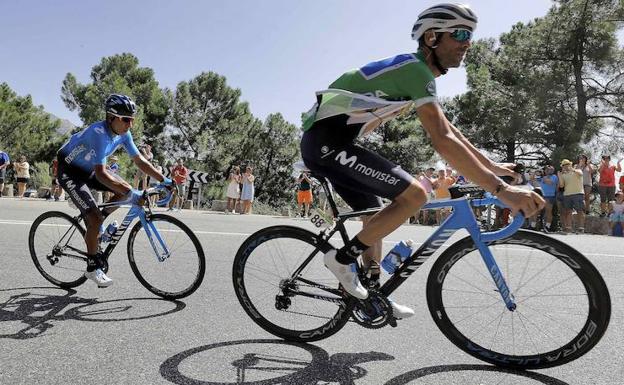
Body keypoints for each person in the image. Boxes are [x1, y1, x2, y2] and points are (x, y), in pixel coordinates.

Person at [299, 3, 544, 320]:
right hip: (325, 144)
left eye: (470, 35)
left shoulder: (417, 75)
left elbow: (450, 132)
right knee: (416, 195)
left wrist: (493, 168)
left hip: (333, 144)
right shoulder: (414, 70)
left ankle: (370, 295)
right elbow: (442, 140)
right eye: (459, 33)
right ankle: (342, 259)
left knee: (376, 218)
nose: (466, 42)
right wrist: (502, 191)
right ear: (431, 37)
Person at [57, 94, 172, 287]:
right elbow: (102, 174)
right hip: (70, 172)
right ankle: (92, 268)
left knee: (123, 191)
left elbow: (139, 160)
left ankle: (97, 227)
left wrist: (164, 179)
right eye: (126, 120)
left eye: (132, 120)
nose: (130, 125)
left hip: (90, 169)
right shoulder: (98, 133)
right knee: (103, 211)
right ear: (111, 117)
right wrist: (130, 192)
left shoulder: (123, 134)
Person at [558, 159, 585, 234]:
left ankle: (581, 228)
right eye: (564, 165)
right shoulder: (563, 174)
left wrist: (572, 169)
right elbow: (561, 185)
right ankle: (568, 228)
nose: (565, 166)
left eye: (567, 164)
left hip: (578, 193)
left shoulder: (577, 170)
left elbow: (580, 174)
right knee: (568, 211)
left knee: (580, 211)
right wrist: (559, 176)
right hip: (567, 194)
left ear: (570, 164)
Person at [539, 165, 558, 232]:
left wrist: (544, 178)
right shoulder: (543, 177)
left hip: (549, 196)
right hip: (542, 196)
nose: (548, 170)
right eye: (546, 169)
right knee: (543, 212)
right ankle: (543, 225)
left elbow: (550, 182)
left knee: (548, 211)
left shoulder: (554, 177)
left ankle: (548, 226)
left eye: (550, 169)